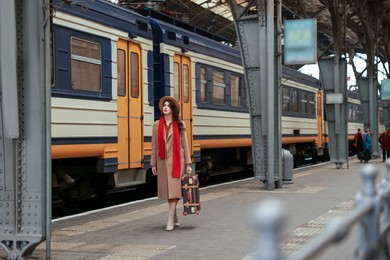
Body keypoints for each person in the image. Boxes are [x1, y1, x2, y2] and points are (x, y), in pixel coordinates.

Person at [150, 96, 192, 231]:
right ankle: (175, 217)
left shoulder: (180, 125)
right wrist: (153, 164)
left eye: (168, 105)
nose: (165, 107)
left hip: (177, 163)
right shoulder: (156, 125)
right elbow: (154, 146)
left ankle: (169, 219)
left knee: (174, 191)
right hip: (162, 163)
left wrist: (188, 164)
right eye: (164, 105)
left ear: (172, 109)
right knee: (169, 192)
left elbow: (185, 145)